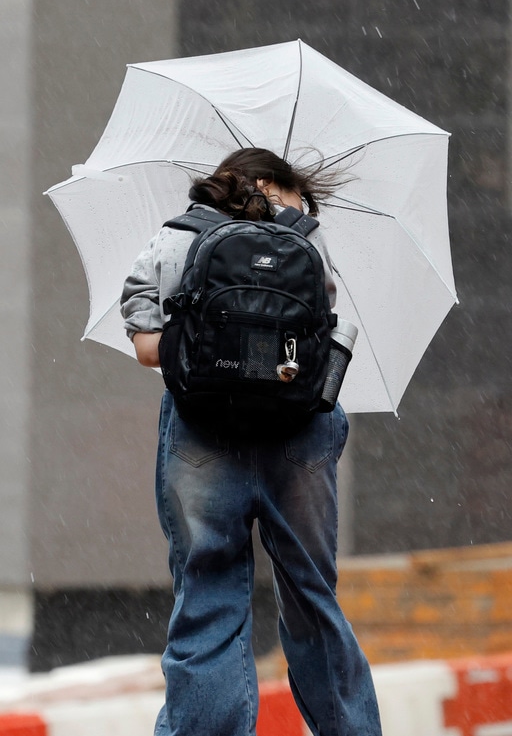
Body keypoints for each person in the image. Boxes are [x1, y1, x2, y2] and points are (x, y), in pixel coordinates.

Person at [120, 148, 382, 735]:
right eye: (298, 195)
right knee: (312, 597)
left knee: (208, 596)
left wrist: (207, 350)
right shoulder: (306, 242)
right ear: (267, 183)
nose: (303, 209)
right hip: (298, 436)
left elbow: (145, 347)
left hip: (205, 434)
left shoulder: (178, 235)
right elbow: (315, 342)